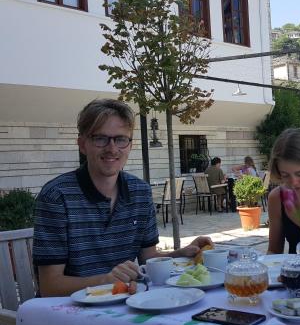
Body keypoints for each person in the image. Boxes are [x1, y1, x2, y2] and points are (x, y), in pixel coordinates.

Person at [33, 99, 212, 297]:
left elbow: (148, 258)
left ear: (129, 145)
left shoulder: (140, 192)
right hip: (69, 314)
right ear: (82, 144)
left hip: (123, 307)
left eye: (120, 139)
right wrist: (105, 281)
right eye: (100, 138)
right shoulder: (57, 196)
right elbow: (50, 287)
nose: (112, 148)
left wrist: (180, 253)